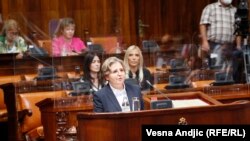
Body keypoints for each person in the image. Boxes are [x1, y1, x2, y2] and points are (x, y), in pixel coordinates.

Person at [199, 0, 241, 69]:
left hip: (229, 47)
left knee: (229, 70)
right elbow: (203, 25)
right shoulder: (210, 8)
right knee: (215, 68)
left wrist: (238, 45)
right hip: (213, 45)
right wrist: (204, 41)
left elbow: (238, 30)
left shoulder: (235, 11)